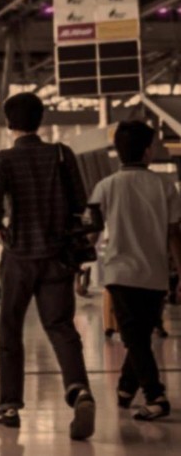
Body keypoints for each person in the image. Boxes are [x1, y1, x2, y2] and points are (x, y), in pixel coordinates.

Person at [0, 92, 95, 440]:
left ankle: (9, 406)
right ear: (40, 120)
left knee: (10, 330)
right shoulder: (62, 154)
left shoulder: (3, 160)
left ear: (9, 122)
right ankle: (79, 390)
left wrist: (6, 232)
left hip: (19, 257)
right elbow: (80, 204)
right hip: (57, 257)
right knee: (61, 327)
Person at [89, 121, 181, 421]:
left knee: (136, 337)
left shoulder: (105, 186)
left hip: (120, 274)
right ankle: (127, 388)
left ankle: (155, 396)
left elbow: (91, 232)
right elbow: (174, 235)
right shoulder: (165, 186)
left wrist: (78, 268)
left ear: (117, 152)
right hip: (155, 276)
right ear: (147, 151)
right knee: (138, 335)